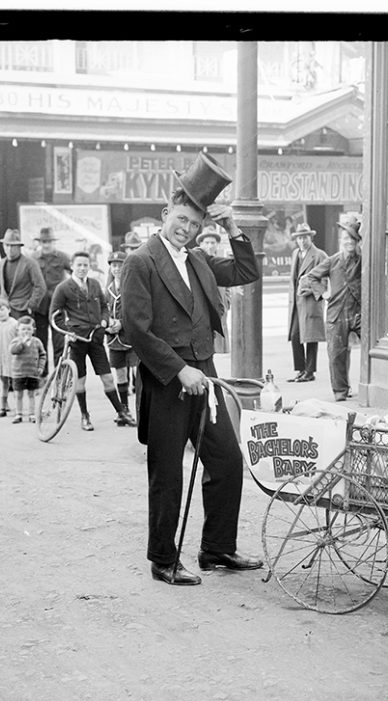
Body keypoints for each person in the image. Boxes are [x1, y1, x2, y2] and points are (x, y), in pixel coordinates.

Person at [120, 155, 263, 587]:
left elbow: (245, 270)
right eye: (181, 219)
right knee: (168, 472)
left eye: (195, 224)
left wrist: (233, 227)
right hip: (168, 381)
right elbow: (137, 331)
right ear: (166, 214)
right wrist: (179, 370)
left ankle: (216, 548)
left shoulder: (198, 259)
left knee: (226, 460)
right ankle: (163, 560)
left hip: (206, 375)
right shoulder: (141, 262)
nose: (186, 228)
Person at [49, 250, 137, 432]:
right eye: (79, 265)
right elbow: (54, 316)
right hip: (77, 340)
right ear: (72, 266)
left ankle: (121, 412)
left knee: (107, 378)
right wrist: (67, 332)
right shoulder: (63, 288)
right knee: (80, 381)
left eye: (85, 265)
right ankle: (84, 416)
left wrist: (104, 321)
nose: (82, 268)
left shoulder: (95, 285)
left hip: (95, 338)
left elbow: (104, 306)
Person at [297, 215, 362, 401]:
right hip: (336, 313)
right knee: (336, 354)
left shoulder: (362, 259)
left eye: (352, 239)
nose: (348, 242)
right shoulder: (333, 260)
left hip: (359, 312)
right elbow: (310, 278)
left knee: (370, 348)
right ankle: (340, 392)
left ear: (357, 241)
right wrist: (323, 294)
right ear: (341, 242)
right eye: (345, 239)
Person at [104, 238, 140, 427]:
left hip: (132, 338)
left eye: (120, 265)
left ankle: (140, 412)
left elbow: (138, 311)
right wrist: (106, 323)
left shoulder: (133, 286)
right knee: (120, 375)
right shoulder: (107, 290)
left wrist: (123, 324)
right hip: (114, 340)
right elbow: (102, 310)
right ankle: (123, 411)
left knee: (138, 374)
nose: (117, 269)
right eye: (114, 266)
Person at [286, 222, 328, 383]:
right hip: (296, 302)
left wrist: (312, 291)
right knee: (295, 335)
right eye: (299, 238)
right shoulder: (295, 253)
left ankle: (310, 372)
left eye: (305, 237)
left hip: (310, 301)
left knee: (311, 337)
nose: (302, 241)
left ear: (310, 237)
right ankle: (301, 369)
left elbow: (325, 280)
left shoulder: (319, 255)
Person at [30, 227, 71, 373]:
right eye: (43, 242)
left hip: (58, 306)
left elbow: (75, 272)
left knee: (59, 341)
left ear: (53, 242)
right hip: (40, 306)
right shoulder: (33, 258)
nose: (46, 245)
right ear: (40, 242)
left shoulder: (62, 257)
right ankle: (43, 373)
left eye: (49, 242)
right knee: (40, 341)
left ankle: (59, 373)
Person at [0, 229, 47, 323]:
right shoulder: (1, 264)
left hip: (23, 310)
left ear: (19, 247)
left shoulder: (30, 263)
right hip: (5, 311)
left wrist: (31, 305)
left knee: (24, 336)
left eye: (13, 246)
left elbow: (40, 287)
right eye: (7, 245)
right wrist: (0, 305)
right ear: (3, 246)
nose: (9, 249)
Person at [196, 225, 231, 354]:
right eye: (207, 243)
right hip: (204, 309)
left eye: (213, 243)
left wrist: (227, 301)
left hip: (220, 308)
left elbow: (227, 285)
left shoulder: (220, 262)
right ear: (201, 244)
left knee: (220, 340)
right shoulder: (196, 261)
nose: (210, 246)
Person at [9, 315, 47, 424]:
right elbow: (13, 350)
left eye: (29, 329)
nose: (26, 331)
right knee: (18, 394)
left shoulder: (37, 342)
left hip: (32, 373)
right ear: (18, 330)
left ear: (33, 330)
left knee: (32, 394)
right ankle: (18, 414)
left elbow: (43, 355)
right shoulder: (16, 341)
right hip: (18, 373)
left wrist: (40, 367)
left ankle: (32, 414)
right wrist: (22, 342)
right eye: (23, 329)